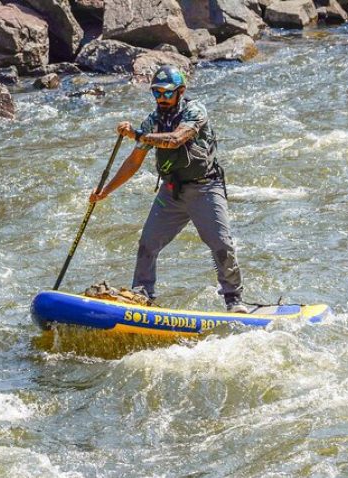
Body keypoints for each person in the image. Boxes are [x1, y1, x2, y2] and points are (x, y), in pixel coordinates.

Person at [89, 65, 248, 313]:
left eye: (166, 93)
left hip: (205, 188)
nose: (161, 98)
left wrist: (138, 135)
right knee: (147, 244)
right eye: (156, 93)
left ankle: (234, 300)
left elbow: (175, 139)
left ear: (180, 91)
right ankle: (143, 296)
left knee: (221, 244)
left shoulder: (195, 111)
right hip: (171, 192)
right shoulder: (152, 121)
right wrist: (106, 191)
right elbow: (134, 161)